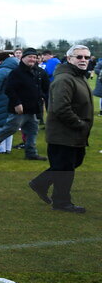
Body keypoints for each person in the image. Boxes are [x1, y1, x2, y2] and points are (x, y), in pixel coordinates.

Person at [29, 46, 95, 213]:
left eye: (86, 57)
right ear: (69, 58)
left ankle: (41, 184)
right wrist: (79, 124)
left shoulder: (77, 76)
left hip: (74, 133)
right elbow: (61, 108)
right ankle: (61, 201)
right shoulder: (65, 78)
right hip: (64, 133)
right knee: (65, 168)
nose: (83, 60)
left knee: (70, 164)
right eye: (79, 56)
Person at [0, 47, 48, 161]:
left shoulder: (38, 71)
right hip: (19, 108)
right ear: (23, 58)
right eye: (29, 57)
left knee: (32, 131)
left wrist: (42, 96)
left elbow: (44, 87)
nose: (32, 59)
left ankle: (31, 153)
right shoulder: (16, 72)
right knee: (10, 129)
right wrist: (17, 103)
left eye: (34, 57)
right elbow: (9, 89)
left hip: (32, 108)